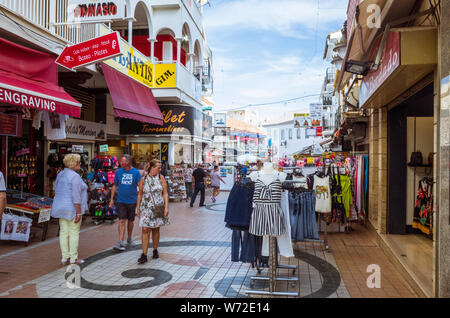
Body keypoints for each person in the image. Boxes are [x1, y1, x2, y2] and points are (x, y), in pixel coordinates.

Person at [50, 154, 88, 265]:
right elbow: (76, 196)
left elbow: (55, 189)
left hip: (60, 207)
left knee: (63, 232)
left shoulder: (60, 174)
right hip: (71, 208)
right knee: (74, 233)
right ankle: (73, 258)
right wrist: (79, 212)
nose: (80, 164)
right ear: (74, 164)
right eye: (78, 162)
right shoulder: (75, 176)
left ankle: (64, 257)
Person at [136, 160, 169, 264]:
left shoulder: (161, 178)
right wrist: (138, 207)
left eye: (160, 168)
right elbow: (140, 194)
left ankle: (155, 250)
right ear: (151, 167)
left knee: (155, 229)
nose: (160, 170)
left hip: (158, 207)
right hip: (146, 207)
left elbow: (165, 193)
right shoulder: (143, 179)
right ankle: (144, 254)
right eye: (158, 167)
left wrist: (166, 207)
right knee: (145, 229)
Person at [109, 154, 142, 251]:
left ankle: (129, 238)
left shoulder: (136, 172)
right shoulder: (118, 172)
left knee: (131, 221)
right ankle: (120, 241)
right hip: (121, 200)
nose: (120, 163)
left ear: (128, 162)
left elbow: (140, 187)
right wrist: (111, 199)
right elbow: (114, 185)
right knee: (122, 220)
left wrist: (140, 200)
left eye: (122, 161)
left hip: (132, 200)